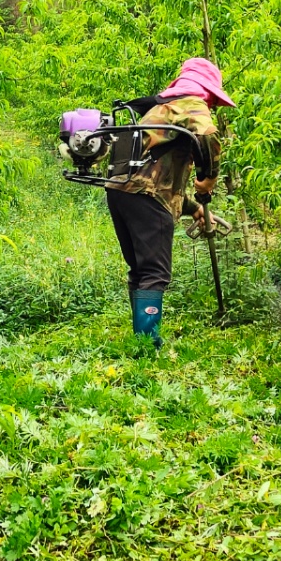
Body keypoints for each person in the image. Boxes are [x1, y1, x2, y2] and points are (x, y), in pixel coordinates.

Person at [104, 57, 233, 345]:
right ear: (207, 91)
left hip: (121, 192)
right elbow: (210, 137)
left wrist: (196, 208)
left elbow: (159, 181)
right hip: (145, 196)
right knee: (154, 272)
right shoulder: (191, 104)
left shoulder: (162, 109)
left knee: (141, 269)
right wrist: (209, 177)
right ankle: (148, 343)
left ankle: (142, 340)